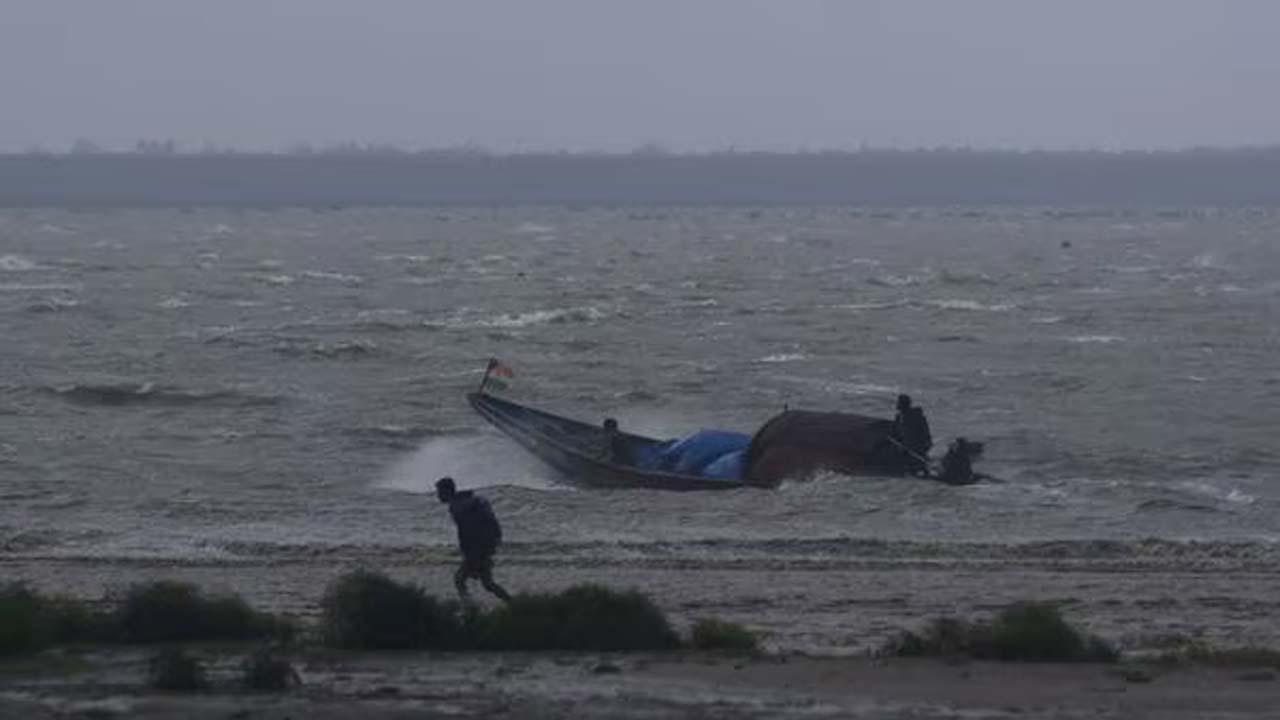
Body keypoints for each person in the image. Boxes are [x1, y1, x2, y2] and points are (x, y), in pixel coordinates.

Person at [435, 477, 511, 603]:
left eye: (439, 492)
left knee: (460, 579)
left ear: (447, 491)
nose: (438, 496)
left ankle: (469, 608)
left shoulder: (457, 506)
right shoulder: (467, 501)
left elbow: (467, 532)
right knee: (488, 584)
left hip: (477, 550)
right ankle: (514, 603)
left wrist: (471, 555)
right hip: (484, 547)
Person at [893, 394, 933, 476]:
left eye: (899, 403)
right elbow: (897, 432)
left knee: (919, 465)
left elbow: (924, 431)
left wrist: (926, 443)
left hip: (917, 446)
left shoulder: (917, 416)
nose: (897, 405)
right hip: (905, 448)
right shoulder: (899, 417)